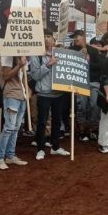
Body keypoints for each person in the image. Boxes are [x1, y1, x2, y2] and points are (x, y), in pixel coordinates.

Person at [29, 28, 70, 160]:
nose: (46, 39)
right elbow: (34, 75)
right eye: (44, 36)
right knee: (42, 121)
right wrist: (48, 65)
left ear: (53, 39)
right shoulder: (36, 55)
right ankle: (40, 149)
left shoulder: (61, 54)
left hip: (59, 93)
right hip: (44, 94)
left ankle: (55, 147)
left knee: (57, 121)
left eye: (49, 36)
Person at [0, 53, 30, 170]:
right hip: (11, 95)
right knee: (9, 128)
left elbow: (23, 77)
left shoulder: (22, 56)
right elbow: (5, 76)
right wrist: (19, 65)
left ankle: (10, 155)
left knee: (15, 128)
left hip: (21, 95)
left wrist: (27, 91)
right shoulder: (7, 55)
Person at [70, 29, 103, 142]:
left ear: (83, 37)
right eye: (74, 37)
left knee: (94, 105)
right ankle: (82, 131)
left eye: (76, 36)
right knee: (82, 106)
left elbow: (99, 66)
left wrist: (88, 59)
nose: (75, 39)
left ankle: (93, 129)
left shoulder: (93, 50)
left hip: (93, 82)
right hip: (80, 82)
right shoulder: (71, 50)